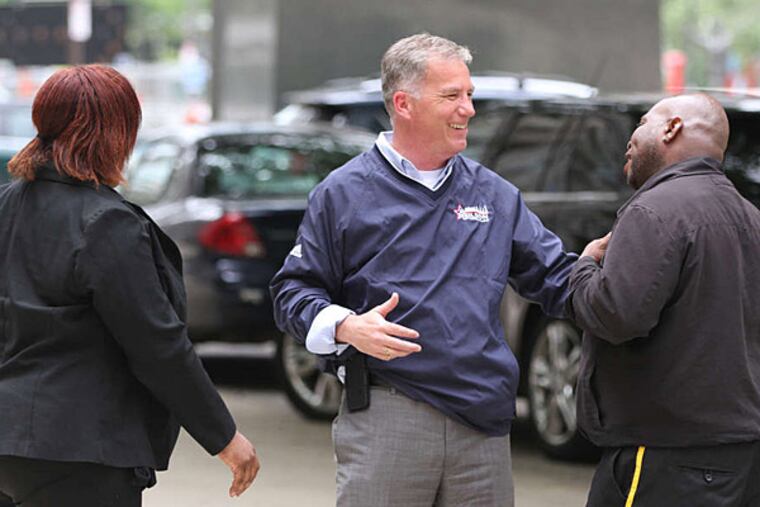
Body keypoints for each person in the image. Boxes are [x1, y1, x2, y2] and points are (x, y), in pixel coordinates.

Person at [270, 33, 577, 506]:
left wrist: (620, 263)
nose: (469, 109)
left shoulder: (495, 195)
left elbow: (557, 279)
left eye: (469, 95)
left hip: (483, 424)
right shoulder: (342, 193)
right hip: (388, 415)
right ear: (404, 103)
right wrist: (347, 326)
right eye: (452, 96)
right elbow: (293, 292)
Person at [0, 65, 260, 506]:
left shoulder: (7, 204)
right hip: (82, 447)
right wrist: (224, 437)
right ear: (116, 133)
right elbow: (156, 343)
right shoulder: (106, 223)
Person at [568, 94, 760, 507]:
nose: (629, 140)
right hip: (741, 457)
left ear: (671, 128)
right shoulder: (750, 217)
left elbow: (615, 315)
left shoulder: (655, 209)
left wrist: (583, 269)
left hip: (665, 457)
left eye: (641, 123)